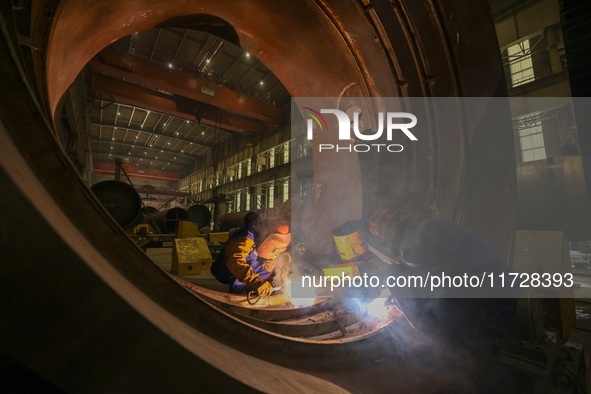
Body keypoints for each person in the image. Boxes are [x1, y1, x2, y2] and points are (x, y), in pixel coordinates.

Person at [366, 209, 516, 355]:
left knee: (394, 275)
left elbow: (438, 292)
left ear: (388, 233)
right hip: (505, 288)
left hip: (491, 314)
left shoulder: (412, 245)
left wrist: (405, 299)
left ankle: (443, 347)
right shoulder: (426, 227)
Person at [211, 212, 291, 296]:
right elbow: (234, 259)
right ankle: (239, 292)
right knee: (249, 259)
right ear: (264, 233)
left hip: (250, 267)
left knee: (278, 260)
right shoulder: (246, 237)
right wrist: (256, 282)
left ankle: (255, 286)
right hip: (225, 269)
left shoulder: (269, 239)